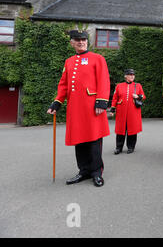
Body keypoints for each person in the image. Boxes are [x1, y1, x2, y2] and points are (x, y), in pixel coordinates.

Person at [47, 30, 110, 187]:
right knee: (79, 140)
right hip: (75, 108)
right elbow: (64, 84)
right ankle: (83, 171)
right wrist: (57, 102)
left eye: (83, 39)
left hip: (92, 107)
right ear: (72, 43)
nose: (81, 42)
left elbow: (104, 81)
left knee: (94, 141)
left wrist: (101, 102)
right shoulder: (68, 62)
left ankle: (96, 172)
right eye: (78, 40)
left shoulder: (98, 59)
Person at [110, 69, 146, 154]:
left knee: (132, 129)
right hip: (121, 111)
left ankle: (131, 147)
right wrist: (112, 109)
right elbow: (115, 98)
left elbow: (143, 96)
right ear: (125, 76)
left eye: (133, 75)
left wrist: (138, 96)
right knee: (120, 130)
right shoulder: (119, 86)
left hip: (133, 111)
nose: (132, 76)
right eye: (130, 75)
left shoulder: (138, 85)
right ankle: (118, 148)